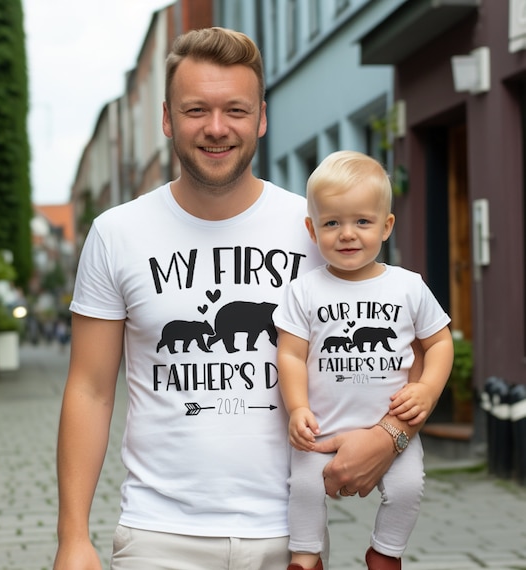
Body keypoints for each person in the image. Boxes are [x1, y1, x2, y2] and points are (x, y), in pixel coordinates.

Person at [53, 29, 421, 570]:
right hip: (158, 535)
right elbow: (89, 389)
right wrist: (72, 537)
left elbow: (400, 341)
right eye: (196, 109)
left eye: (236, 110)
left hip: (293, 535)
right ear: (167, 120)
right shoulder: (117, 233)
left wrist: (390, 437)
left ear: (262, 119)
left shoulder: (318, 231)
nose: (217, 128)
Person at [274, 150, 454, 570]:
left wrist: (427, 390)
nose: (347, 234)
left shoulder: (408, 287)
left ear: (386, 226)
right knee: (302, 486)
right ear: (311, 228)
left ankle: (386, 552)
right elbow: (291, 354)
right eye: (332, 222)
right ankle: (305, 555)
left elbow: (440, 343)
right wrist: (298, 407)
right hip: (321, 424)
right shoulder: (304, 290)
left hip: (390, 422)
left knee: (409, 487)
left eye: (362, 221)